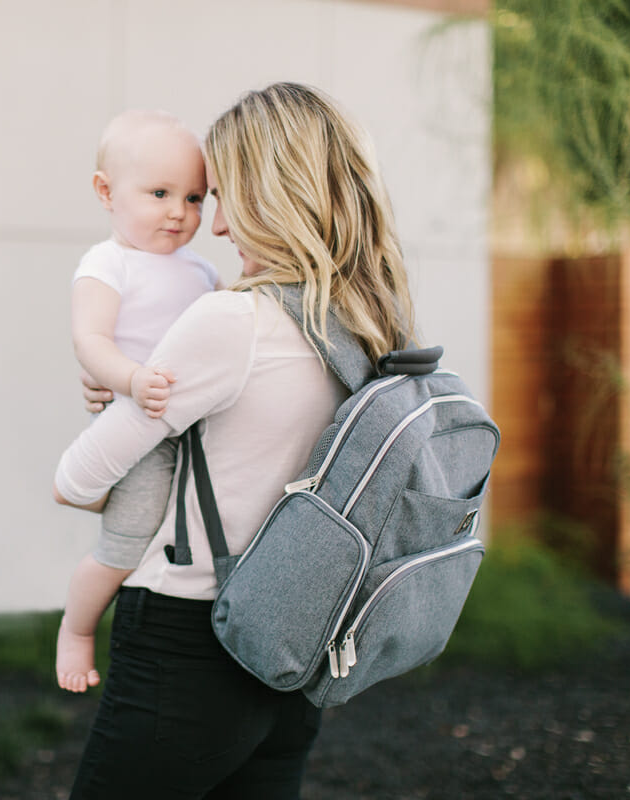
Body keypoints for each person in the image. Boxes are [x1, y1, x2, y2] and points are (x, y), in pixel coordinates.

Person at [53, 82, 416, 798]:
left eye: (221, 198)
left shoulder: (232, 321)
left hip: (189, 636)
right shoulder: (366, 320)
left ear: (271, 197)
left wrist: (116, 397)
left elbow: (76, 479)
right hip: (295, 634)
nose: (213, 226)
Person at [56, 109, 223, 694]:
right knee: (124, 543)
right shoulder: (109, 263)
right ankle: (77, 630)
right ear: (106, 191)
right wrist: (129, 379)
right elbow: (90, 340)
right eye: (160, 193)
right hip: (144, 424)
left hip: (199, 430)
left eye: (196, 198)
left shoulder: (202, 271)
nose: (180, 211)